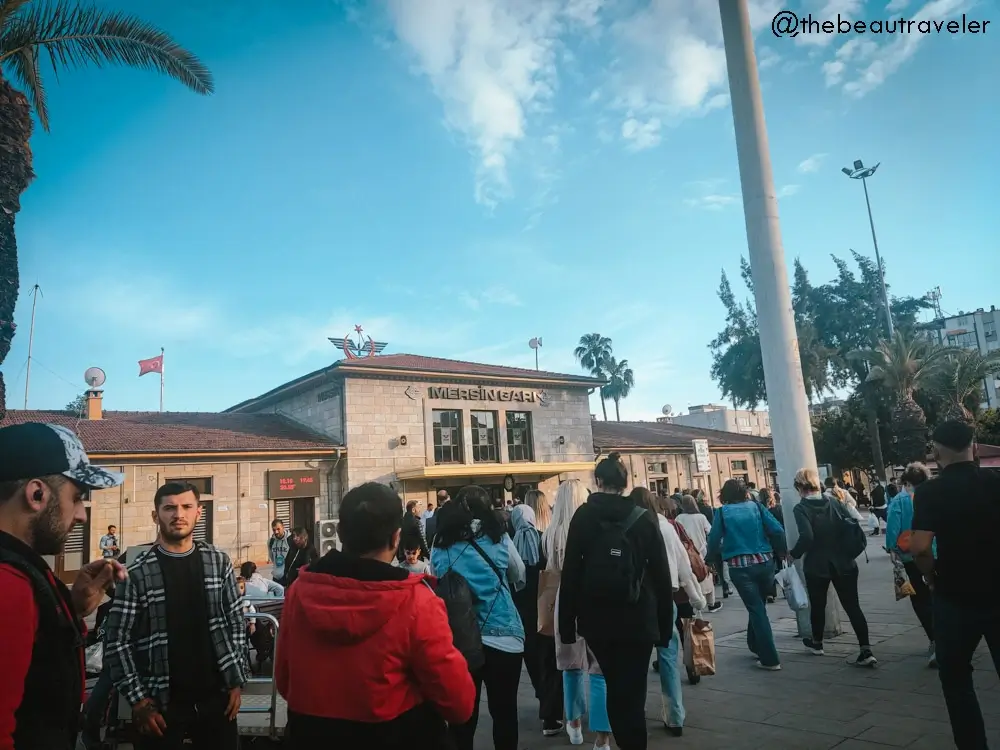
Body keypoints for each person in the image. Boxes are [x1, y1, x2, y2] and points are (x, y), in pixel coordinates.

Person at [276, 482, 475, 749]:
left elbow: (285, 681)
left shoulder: (300, 592)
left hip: (310, 734)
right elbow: (458, 702)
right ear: (396, 538)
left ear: (340, 532)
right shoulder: (417, 600)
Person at [0, 422, 127, 750]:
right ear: (37, 494)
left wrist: (71, 609)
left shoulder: (21, 569)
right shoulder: (8, 584)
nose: (82, 515)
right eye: (77, 497)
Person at [104, 481, 250, 750]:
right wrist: (138, 701)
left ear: (198, 512)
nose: (178, 514)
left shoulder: (218, 561)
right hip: (160, 703)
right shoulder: (136, 572)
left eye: (186, 506)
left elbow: (236, 624)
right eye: (169, 508)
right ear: (155, 515)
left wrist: (236, 680)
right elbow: (117, 641)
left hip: (216, 699)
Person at [559, 454, 674, 750]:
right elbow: (661, 574)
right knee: (633, 691)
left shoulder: (583, 516)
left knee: (613, 684)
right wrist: (664, 625)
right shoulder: (644, 517)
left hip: (598, 620)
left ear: (598, 482)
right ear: (625, 483)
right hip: (639, 617)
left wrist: (567, 625)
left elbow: (570, 571)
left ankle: (623, 740)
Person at [911, 420, 1000, 750]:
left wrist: (930, 576)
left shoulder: (929, 491)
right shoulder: (996, 482)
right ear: (974, 447)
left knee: (956, 679)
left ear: (935, 452)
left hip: (955, 597)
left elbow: (920, 547)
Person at [431, 485, 526, 750]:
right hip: (504, 632)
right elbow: (519, 576)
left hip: (460, 639)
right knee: (505, 713)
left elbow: (437, 582)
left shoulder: (442, 544)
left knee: (463, 717)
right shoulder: (499, 538)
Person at [631, 488, 704, 737]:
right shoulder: (666, 527)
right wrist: (696, 597)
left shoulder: (630, 527)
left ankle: (634, 713)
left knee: (636, 662)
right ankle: (675, 715)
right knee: (668, 657)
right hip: (666, 598)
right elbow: (684, 564)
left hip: (637, 601)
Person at [544, 480, 611, 748]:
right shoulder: (593, 527)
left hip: (564, 597)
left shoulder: (551, 532)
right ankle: (602, 735)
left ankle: (573, 723)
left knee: (569, 664)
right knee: (599, 668)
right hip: (593, 597)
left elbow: (550, 569)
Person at [789, 468, 876, 668]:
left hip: (817, 564)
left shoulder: (801, 509)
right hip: (844, 561)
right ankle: (866, 649)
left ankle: (817, 643)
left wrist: (793, 553)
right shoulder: (834, 502)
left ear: (800, 487)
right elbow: (851, 524)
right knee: (853, 606)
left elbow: (807, 536)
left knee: (818, 605)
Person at [706, 478, 784, 671]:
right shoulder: (756, 507)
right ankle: (755, 644)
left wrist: (709, 559)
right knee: (758, 606)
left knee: (756, 609)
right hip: (765, 562)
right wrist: (782, 551)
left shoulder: (722, 513)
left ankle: (770, 658)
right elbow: (777, 530)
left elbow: (714, 538)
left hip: (739, 566)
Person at [510, 492, 563, 737]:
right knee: (550, 661)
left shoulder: (509, 543)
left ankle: (543, 698)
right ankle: (551, 712)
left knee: (532, 661)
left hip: (520, 614)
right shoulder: (542, 540)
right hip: (545, 609)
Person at [884, 462, 935, 667]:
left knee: (920, 599)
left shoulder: (900, 500)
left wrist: (892, 549)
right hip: (936, 553)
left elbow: (892, 529)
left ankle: (934, 639)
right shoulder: (934, 496)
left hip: (911, 557)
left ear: (906, 482)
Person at [676, 494, 721, 612]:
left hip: (686, 551)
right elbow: (710, 531)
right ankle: (711, 603)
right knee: (707, 574)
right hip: (701, 550)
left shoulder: (679, 518)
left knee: (691, 575)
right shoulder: (701, 517)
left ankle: (696, 601)